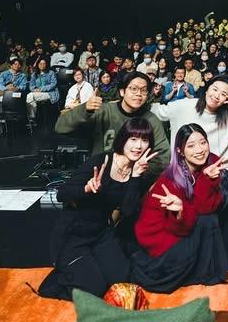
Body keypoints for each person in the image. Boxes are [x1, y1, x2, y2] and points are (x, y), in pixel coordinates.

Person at [38, 119, 159, 300]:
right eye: (133, 139)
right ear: (123, 140)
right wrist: (85, 189)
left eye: (144, 140)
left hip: (101, 234)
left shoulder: (139, 172)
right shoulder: (101, 161)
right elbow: (61, 194)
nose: (138, 146)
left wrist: (134, 177)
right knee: (94, 288)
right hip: (73, 234)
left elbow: (127, 211)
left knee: (121, 279)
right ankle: (60, 276)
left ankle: (85, 267)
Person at [131, 124, 228, 292]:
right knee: (207, 221)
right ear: (180, 151)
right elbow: (180, 228)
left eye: (202, 142)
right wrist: (179, 210)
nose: (199, 150)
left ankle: (203, 270)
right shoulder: (170, 180)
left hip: (182, 229)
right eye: (190, 146)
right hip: (161, 244)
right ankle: (196, 272)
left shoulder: (210, 164)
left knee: (209, 219)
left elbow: (207, 208)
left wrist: (208, 179)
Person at [56, 72, 171, 180]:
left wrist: (136, 174)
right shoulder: (104, 112)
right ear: (122, 91)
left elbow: (162, 157)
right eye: (133, 89)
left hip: (135, 180)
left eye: (143, 90)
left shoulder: (151, 120)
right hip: (100, 178)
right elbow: (61, 128)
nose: (138, 94)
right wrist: (85, 109)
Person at [151, 75, 228, 174]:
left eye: (223, 94)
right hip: (183, 171)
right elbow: (156, 110)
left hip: (218, 171)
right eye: (215, 89)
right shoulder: (184, 106)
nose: (217, 96)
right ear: (206, 90)